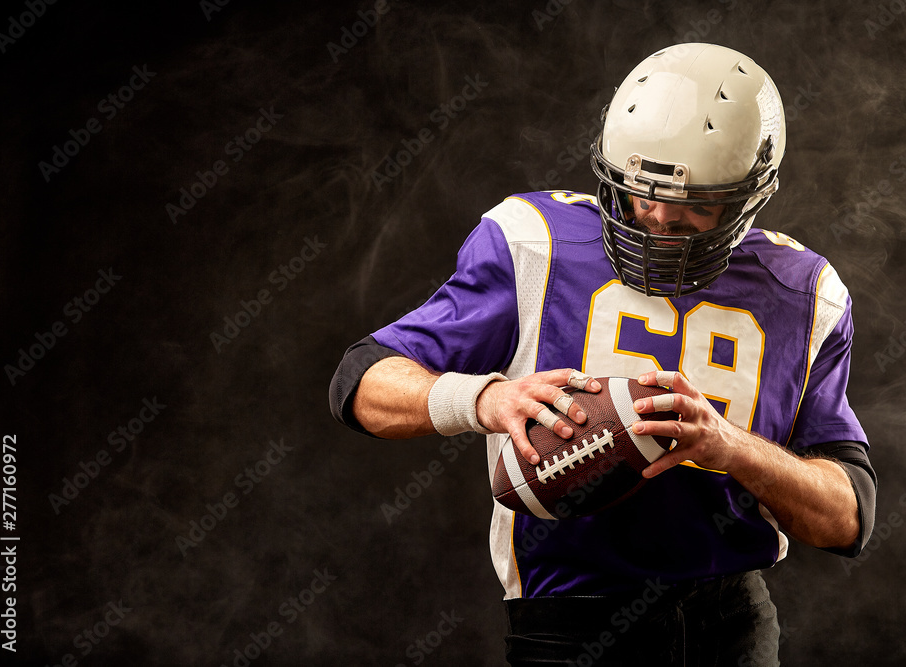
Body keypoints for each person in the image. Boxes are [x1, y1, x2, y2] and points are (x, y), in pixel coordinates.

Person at [330, 43, 876, 666]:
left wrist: (731, 448)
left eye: (699, 202)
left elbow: (847, 518)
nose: (663, 217)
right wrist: (483, 398)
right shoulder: (534, 243)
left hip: (733, 626)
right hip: (570, 617)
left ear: (753, 193)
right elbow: (361, 382)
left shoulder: (803, 290)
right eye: (643, 193)